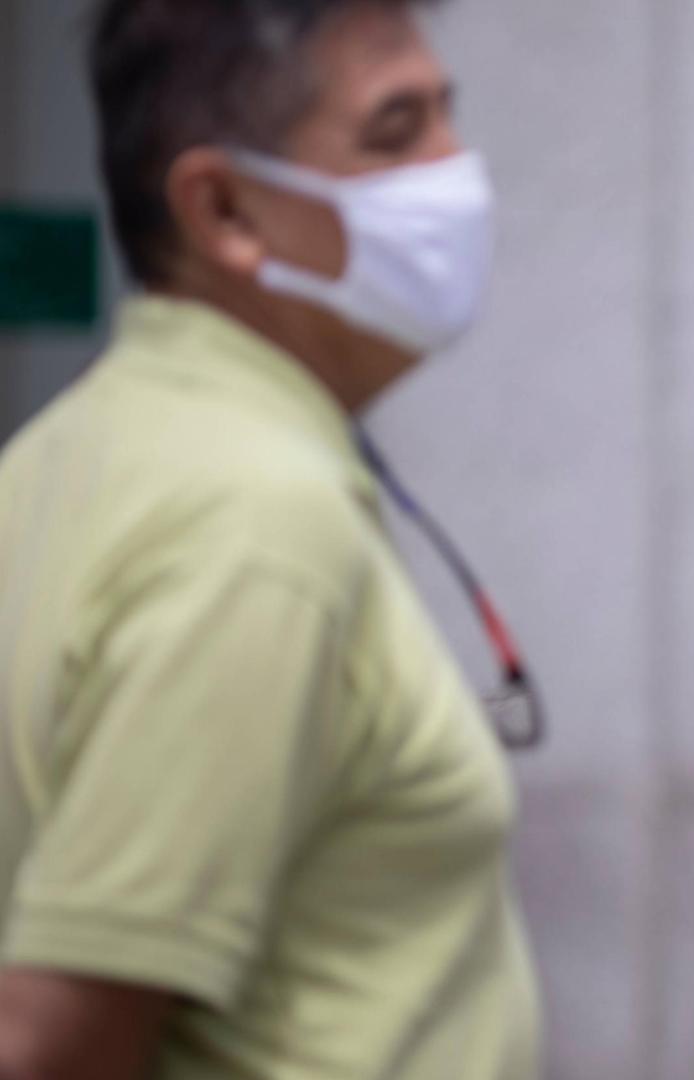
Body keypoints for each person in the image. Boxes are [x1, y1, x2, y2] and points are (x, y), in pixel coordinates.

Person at [0, 2, 539, 1078]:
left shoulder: (65, 453)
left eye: (446, 116)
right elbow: (56, 1040)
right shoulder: (254, 522)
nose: (455, 171)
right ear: (225, 209)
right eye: (395, 134)